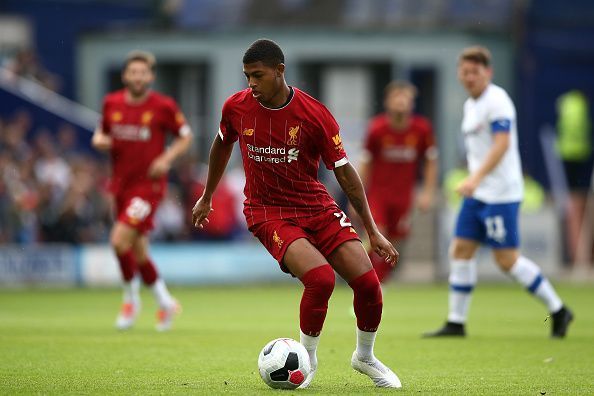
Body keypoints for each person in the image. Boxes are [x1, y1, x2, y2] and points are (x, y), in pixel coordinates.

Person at [192, 39, 401, 388]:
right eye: (247, 76)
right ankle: (307, 361)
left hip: (315, 206)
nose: (251, 84)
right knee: (320, 280)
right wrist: (207, 195)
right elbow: (221, 146)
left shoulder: (314, 115)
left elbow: (345, 174)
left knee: (367, 284)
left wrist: (373, 231)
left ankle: (365, 357)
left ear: (280, 71)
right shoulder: (236, 108)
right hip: (267, 211)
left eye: (257, 75)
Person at [424, 46, 573, 338]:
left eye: (475, 72)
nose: (469, 78)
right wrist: (474, 180)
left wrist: (474, 179)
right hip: (478, 192)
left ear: (488, 73)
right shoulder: (470, 105)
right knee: (461, 250)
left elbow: (501, 144)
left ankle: (559, 309)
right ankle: (456, 322)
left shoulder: (498, 100)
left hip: (500, 194)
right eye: (464, 72)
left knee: (506, 260)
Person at [92, 50, 193, 331]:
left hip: (148, 187)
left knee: (117, 241)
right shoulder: (110, 103)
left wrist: (166, 158)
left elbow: (186, 137)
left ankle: (130, 300)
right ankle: (165, 303)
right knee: (138, 253)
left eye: (143, 72)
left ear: (150, 76)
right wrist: (99, 140)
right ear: (125, 76)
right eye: (133, 72)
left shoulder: (163, 106)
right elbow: (101, 133)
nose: (138, 77)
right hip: (121, 186)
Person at [360, 80, 438, 283]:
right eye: (397, 97)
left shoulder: (422, 129)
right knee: (378, 236)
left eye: (406, 97)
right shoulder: (377, 128)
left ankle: (378, 285)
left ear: (412, 103)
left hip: (404, 197)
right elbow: (365, 163)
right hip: (378, 195)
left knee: (395, 243)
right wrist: (356, 196)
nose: (401, 101)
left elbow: (431, 162)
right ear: (387, 101)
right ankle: (364, 284)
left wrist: (428, 192)